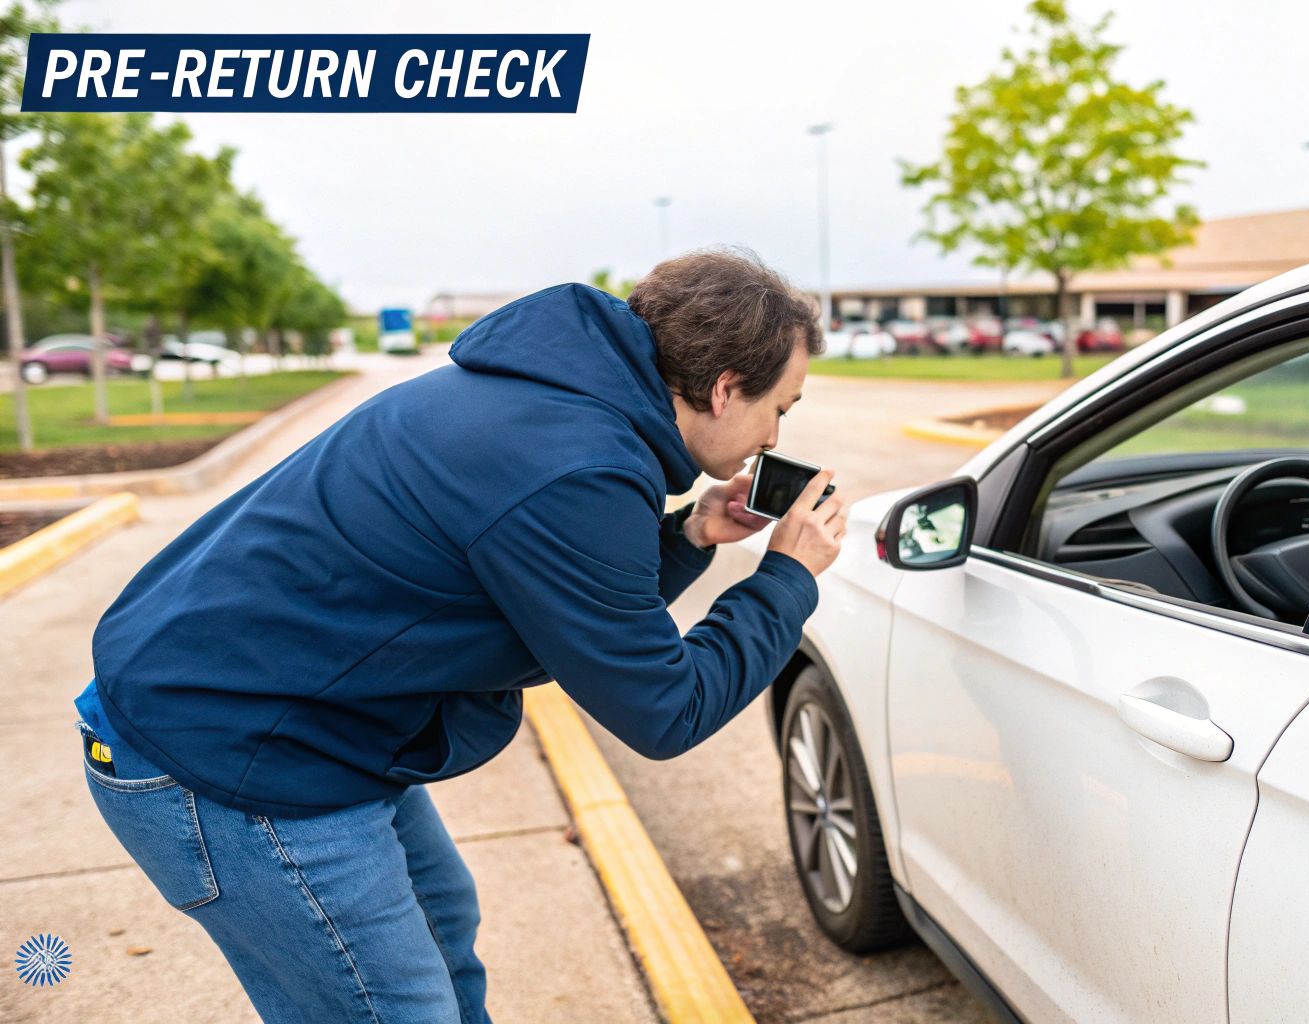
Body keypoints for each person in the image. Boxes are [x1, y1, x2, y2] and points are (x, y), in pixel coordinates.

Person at [70, 248, 845, 1022]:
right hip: (227, 753)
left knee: (444, 931)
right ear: (723, 388)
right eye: (782, 406)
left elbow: (573, 613)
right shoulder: (576, 462)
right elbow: (665, 707)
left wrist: (690, 534)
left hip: (283, 716)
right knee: (401, 1008)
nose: (774, 437)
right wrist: (787, 577)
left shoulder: (555, 401)